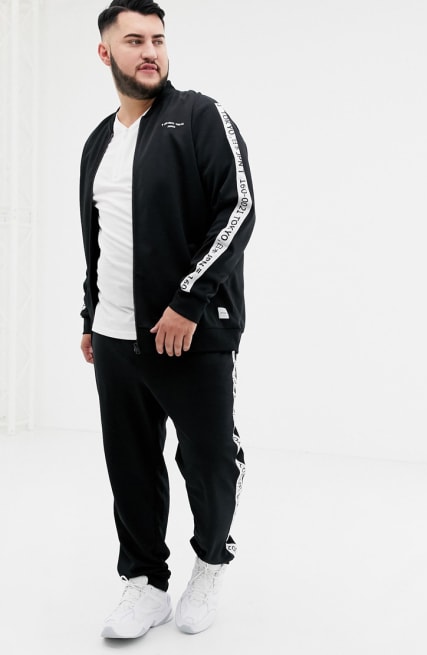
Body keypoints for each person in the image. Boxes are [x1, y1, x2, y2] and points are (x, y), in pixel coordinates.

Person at [79, 0, 255, 639]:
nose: (150, 51)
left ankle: (209, 564)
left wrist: (187, 301)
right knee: (129, 464)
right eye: (134, 41)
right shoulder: (99, 142)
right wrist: (90, 314)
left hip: (191, 332)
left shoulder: (200, 116)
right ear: (106, 53)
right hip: (114, 335)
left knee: (209, 460)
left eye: (157, 38)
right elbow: (99, 239)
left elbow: (238, 209)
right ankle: (145, 582)